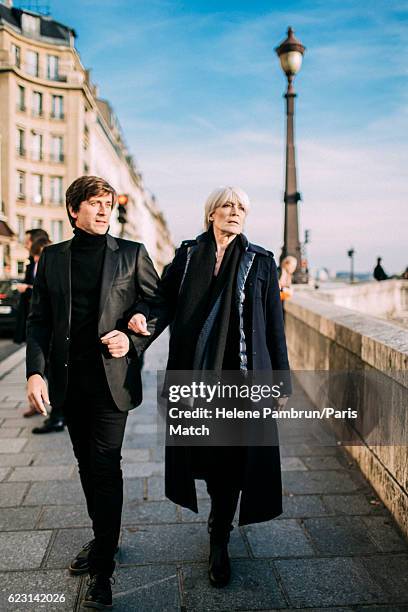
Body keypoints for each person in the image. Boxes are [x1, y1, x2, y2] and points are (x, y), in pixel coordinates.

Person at [129, 186, 291, 588]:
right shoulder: (186, 257)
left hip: (243, 376)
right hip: (195, 375)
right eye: (227, 205)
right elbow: (162, 303)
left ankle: (220, 536)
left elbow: (274, 324)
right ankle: (219, 524)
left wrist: (281, 380)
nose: (235, 212)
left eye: (241, 207)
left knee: (234, 458)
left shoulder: (261, 262)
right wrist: (139, 325)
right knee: (205, 454)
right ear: (211, 213)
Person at [26, 175, 161, 610]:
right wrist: (35, 373)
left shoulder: (131, 254)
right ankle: (105, 536)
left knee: (105, 465)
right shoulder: (51, 258)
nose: (105, 211)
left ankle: (103, 569)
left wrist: (133, 338)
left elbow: (157, 305)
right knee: (87, 465)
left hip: (111, 383)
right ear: (73, 210)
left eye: (108, 204)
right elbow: (39, 321)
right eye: (95, 204)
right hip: (69, 383)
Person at [14, 228, 49, 345]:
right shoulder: (31, 262)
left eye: (27, 242)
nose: (25, 245)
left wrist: (27, 288)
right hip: (31, 314)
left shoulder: (48, 260)